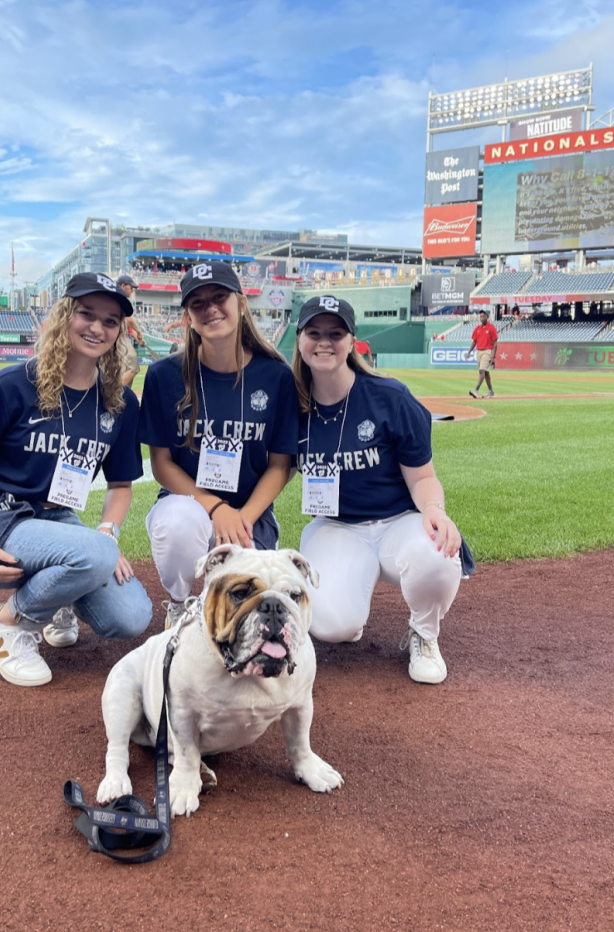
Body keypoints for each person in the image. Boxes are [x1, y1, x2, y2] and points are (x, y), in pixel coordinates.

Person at [0, 272, 152, 688]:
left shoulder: (120, 402)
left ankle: (59, 598)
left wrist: (106, 535)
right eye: (86, 314)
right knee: (93, 555)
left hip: (57, 520)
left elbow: (121, 485)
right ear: (63, 316)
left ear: (119, 332)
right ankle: (8, 625)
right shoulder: (11, 384)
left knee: (131, 616)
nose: (97, 327)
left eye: (110, 321)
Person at [293, 295, 462, 684]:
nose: (324, 342)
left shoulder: (389, 397)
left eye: (335, 334)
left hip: (398, 523)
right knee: (333, 627)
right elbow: (277, 470)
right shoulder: (293, 404)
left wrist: (434, 508)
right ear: (300, 339)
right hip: (337, 526)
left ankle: (424, 634)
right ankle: (350, 609)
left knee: (436, 555)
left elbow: (422, 477)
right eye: (314, 332)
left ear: (352, 342)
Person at [140, 260, 297, 624]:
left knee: (242, 615)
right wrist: (214, 508)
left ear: (241, 303)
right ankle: (179, 603)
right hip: (188, 503)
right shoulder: (164, 376)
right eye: (198, 303)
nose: (210, 308)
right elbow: (161, 464)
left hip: (250, 512)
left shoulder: (275, 376)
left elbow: (280, 466)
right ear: (187, 317)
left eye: (219, 297)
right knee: (179, 524)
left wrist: (242, 517)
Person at [116, 275, 147, 389]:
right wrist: (138, 331)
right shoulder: (119, 296)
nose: (132, 290)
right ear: (123, 286)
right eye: (131, 287)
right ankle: (114, 393)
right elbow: (128, 318)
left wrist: (137, 338)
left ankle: (126, 398)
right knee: (133, 367)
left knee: (126, 370)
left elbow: (127, 327)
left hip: (121, 336)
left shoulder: (120, 298)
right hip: (117, 338)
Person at [466, 310, 498, 398]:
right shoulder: (477, 329)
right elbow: (474, 341)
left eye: (483, 316)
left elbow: (495, 343)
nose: (482, 318)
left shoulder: (491, 328)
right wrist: (469, 352)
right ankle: (491, 391)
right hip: (479, 351)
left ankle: (476, 390)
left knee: (481, 371)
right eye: (480, 316)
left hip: (487, 351)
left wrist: (493, 356)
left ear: (487, 317)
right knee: (486, 373)